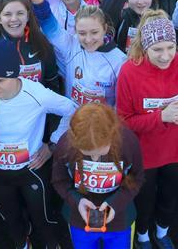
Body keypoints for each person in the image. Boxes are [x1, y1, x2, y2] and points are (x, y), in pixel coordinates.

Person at [0, 39, 77, 249]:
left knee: (42, 217)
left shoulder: (37, 94)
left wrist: (51, 145)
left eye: (0, 81)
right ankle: (21, 243)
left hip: (30, 170)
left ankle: (49, 244)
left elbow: (72, 111)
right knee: (11, 218)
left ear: (15, 75)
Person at [116, 10, 178, 249]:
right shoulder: (129, 71)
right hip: (143, 154)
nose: (165, 57)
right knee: (144, 200)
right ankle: (142, 236)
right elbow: (124, 120)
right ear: (144, 47)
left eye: (170, 48)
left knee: (169, 197)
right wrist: (161, 116)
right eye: (157, 50)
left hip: (175, 152)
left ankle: (162, 232)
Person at [51, 103, 145, 249]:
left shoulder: (128, 142)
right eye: (87, 153)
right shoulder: (65, 145)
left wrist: (115, 204)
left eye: (100, 151)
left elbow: (136, 178)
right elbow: (59, 180)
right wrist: (77, 201)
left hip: (120, 219)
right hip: (79, 219)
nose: (94, 158)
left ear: (112, 134)